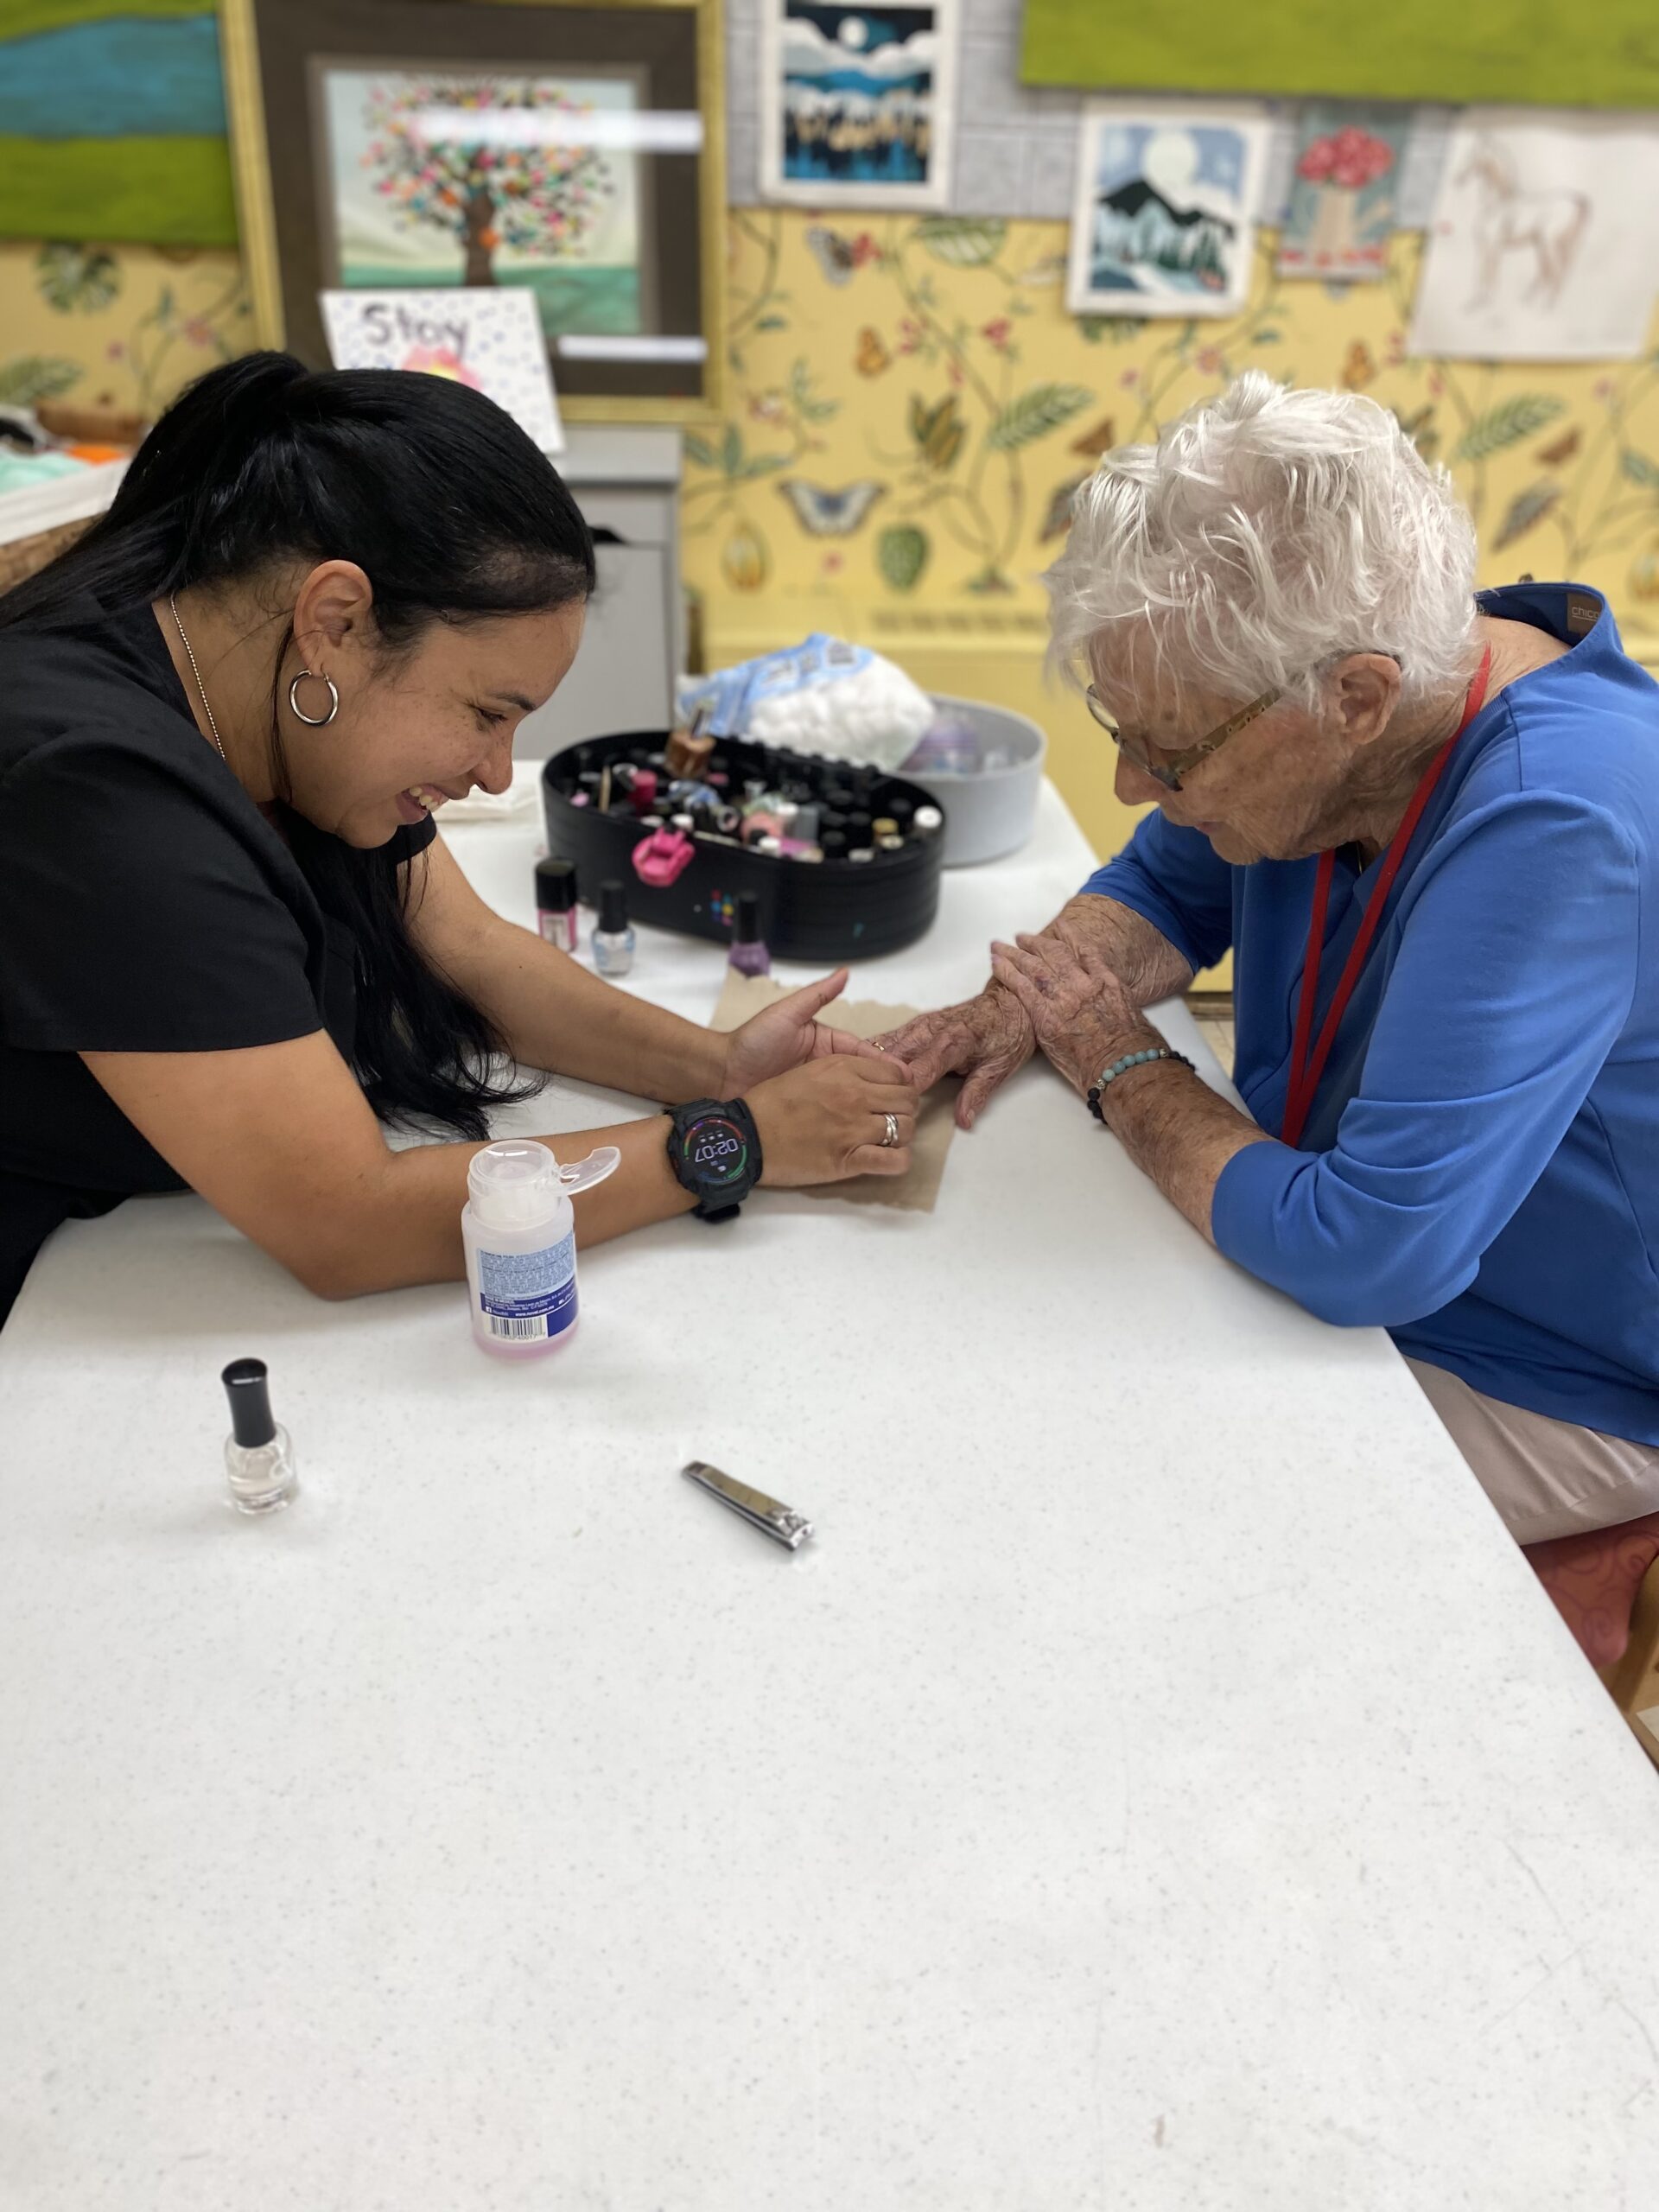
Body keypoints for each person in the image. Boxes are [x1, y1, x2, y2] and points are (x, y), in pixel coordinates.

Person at [881, 374, 1659, 1548]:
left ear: (1357, 698)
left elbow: (1369, 1253)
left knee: (1124, 1515)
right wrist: (1018, 1001)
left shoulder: (1560, 818)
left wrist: (1116, 1059)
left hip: (1554, 1365)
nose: (1133, 787)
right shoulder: (1358, 698)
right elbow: (1157, 887)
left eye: (1168, 751)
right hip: (1354, 1247)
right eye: (1118, 731)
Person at [0, 353, 915, 1325]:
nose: (493, 773)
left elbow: (467, 946)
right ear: (336, 620)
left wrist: (716, 1066)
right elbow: (346, 1221)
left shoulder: (277, 708)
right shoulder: (93, 789)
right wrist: (729, 1143)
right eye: (486, 712)